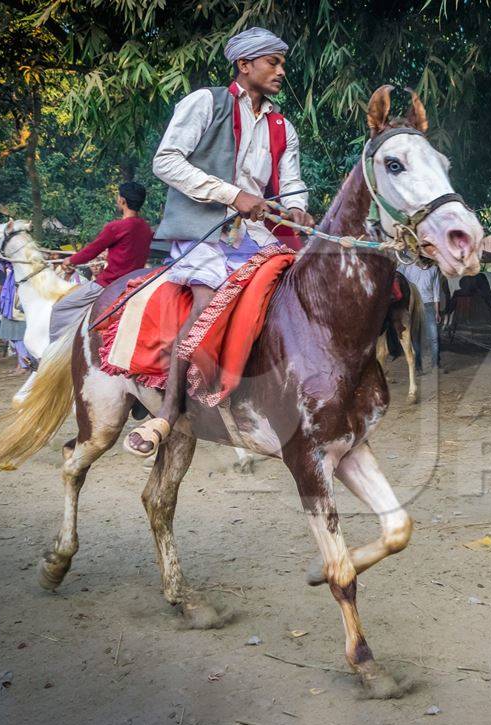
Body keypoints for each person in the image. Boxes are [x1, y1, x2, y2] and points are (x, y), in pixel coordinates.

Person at [124, 27, 313, 458]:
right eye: (273, 61)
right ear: (244, 65)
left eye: (282, 63)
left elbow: (294, 182)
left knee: (299, 296)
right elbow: (165, 161)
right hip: (206, 231)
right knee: (210, 301)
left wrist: (297, 208)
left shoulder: (284, 125)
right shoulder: (205, 102)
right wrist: (232, 195)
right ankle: (167, 413)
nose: (281, 70)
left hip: (260, 234)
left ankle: (267, 400)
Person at [50, 182, 155, 341]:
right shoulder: (146, 228)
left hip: (109, 284)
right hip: (135, 286)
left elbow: (91, 251)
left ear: (122, 201)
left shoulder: (116, 227)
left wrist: (70, 260)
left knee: (60, 308)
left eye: (118, 196)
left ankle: (56, 349)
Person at [399, 260, 442, 372]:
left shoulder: (434, 269)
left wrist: (437, 312)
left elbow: (436, 291)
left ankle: (435, 365)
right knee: (415, 338)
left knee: (434, 337)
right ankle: (418, 366)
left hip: (429, 305)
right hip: (414, 306)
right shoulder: (408, 267)